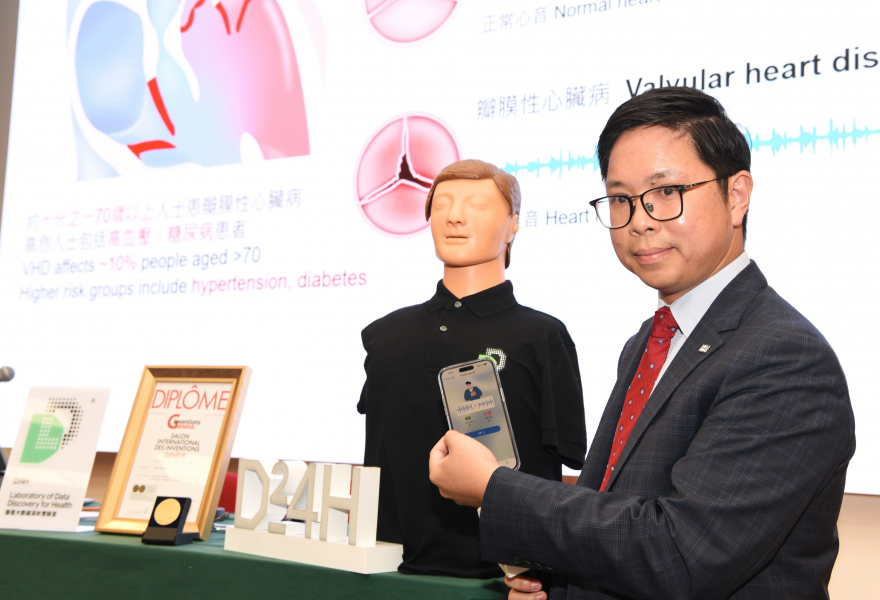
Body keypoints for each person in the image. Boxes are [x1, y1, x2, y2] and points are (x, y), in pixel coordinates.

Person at [429, 88, 855, 599]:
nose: (641, 220)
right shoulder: (646, 343)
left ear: (737, 195)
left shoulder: (785, 357)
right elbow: (617, 513)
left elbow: (679, 556)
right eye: (620, 199)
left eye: (667, 191)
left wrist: (494, 488)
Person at [358, 159, 588, 578]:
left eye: (477, 204)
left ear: (513, 224)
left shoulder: (542, 337)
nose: (455, 216)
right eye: (441, 204)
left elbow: (564, 469)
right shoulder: (384, 335)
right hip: (387, 572)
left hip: (503, 579)